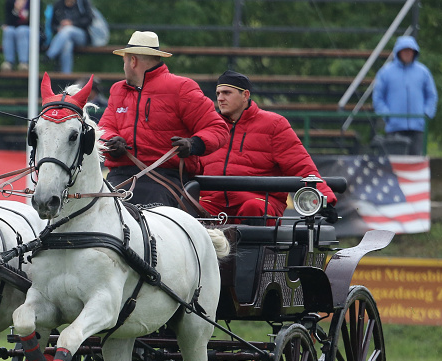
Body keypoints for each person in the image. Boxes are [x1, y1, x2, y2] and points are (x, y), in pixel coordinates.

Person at [98, 31, 228, 209]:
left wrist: (193, 144)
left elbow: (217, 128)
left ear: (133, 61)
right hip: (120, 177)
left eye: (124, 62)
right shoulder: (117, 90)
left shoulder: (181, 88)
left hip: (166, 178)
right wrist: (112, 142)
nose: (124, 67)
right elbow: (104, 129)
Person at [198, 70, 337, 224]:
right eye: (218, 94)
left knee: (253, 208)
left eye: (226, 93)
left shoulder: (274, 125)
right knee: (187, 213)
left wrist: (325, 200)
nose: (220, 99)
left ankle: (249, 249)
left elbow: (302, 166)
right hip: (214, 202)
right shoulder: (209, 125)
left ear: (245, 95)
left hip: (259, 201)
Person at [372, 35, 438, 156]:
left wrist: (426, 114)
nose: (408, 53)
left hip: (417, 128)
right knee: (395, 163)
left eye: (410, 51)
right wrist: (387, 115)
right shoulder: (386, 72)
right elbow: (378, 97)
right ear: (398, 52)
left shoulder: (423, 72)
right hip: (394, 128)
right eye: (405, 50)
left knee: (416, 162)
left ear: (414, 52)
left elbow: (431, 96)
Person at [46, 0, 92, 74]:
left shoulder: (82, 3)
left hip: (81, 36)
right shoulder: (58, 4)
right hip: (63, 38)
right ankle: (66, 76)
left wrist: (72, 23)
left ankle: (50, 55)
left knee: (67, 30)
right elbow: (52, 25)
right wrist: (58, 28)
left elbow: (89, 20)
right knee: (67, 44)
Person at [0, 0, 30, 72]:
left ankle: (23, 62)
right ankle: (8, 62)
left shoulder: (33, 3)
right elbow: (8, 22)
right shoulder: (10, 2)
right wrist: (16, 10)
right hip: (14, 30)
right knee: (8, 31)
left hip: (29, 31)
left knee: (21, 30)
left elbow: (34, 21)